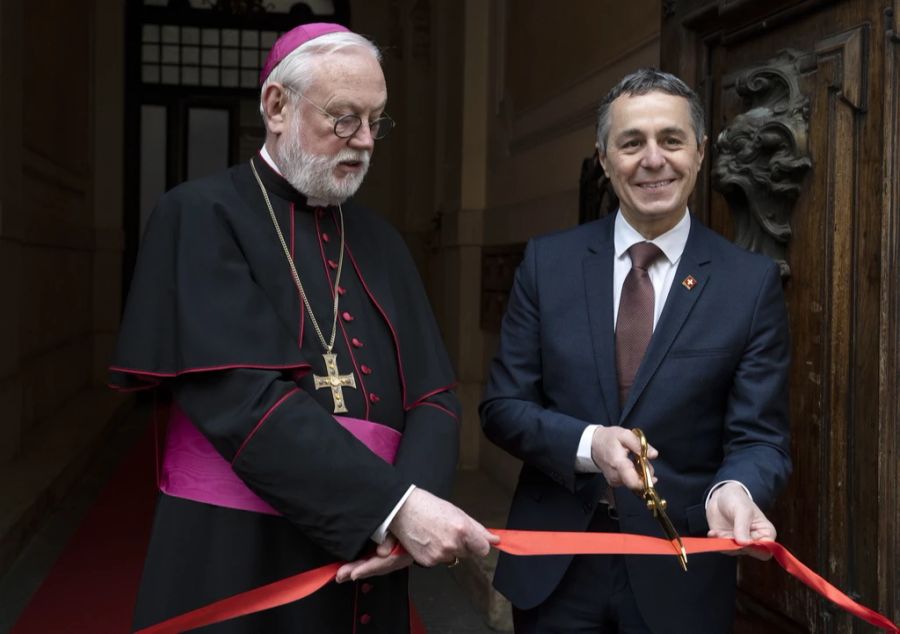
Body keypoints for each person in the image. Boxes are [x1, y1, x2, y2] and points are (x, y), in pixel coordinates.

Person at [110, 22, 496, 633]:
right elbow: (241, 400)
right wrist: (394, 508)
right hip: (240, 550)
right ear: (277, 106)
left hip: (373, 552)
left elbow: (434, 395)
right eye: (344, 118)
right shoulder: (199, 215)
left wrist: (408, 512)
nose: (364, 141)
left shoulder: (381, 240)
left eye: (376, 121)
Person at [480, 68, 791, 634]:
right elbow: (502, 407)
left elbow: (760, 437)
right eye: (632, 143)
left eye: (671, 140)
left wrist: (735, 489)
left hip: (682, 567)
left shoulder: (749, 283)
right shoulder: (547, 265)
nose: (653, 160)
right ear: (604, 158)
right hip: (558, 565)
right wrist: (588, 444)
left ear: (699, 152)